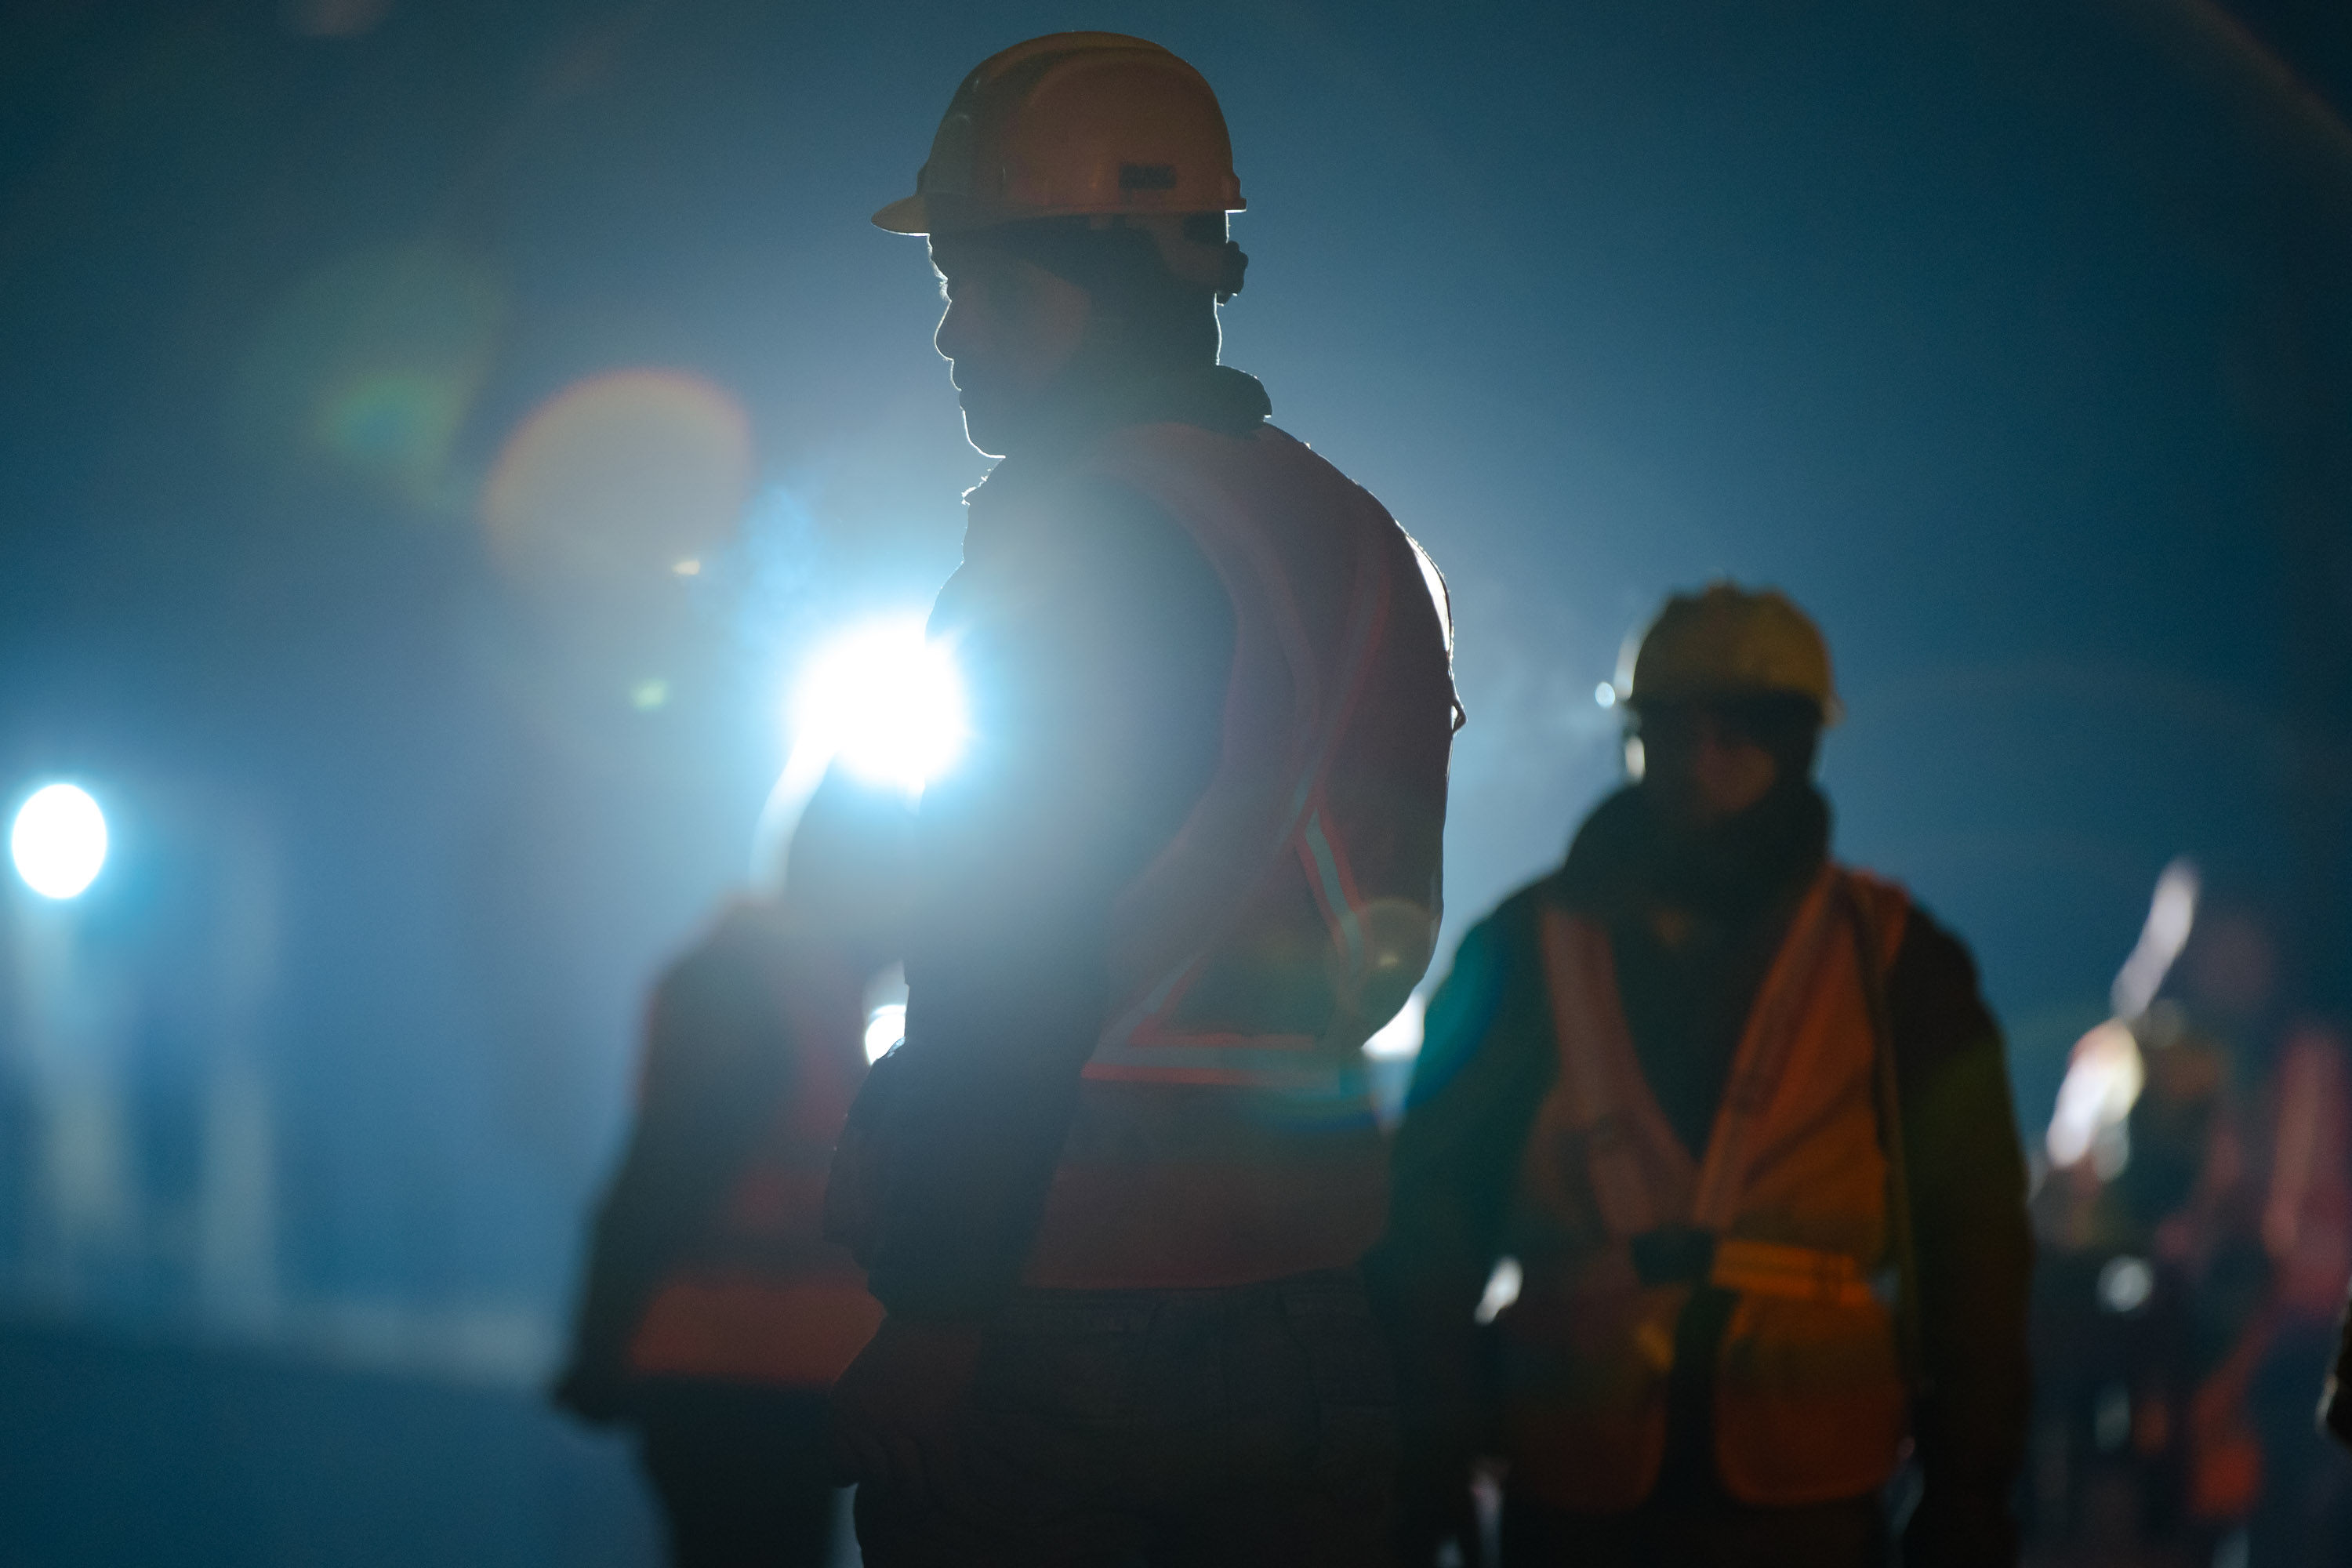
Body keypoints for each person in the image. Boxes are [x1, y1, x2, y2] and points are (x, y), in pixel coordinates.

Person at [822, 31, 1458, 1566]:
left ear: (1110, 268)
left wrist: (937, 1303)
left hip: (1067, 1311)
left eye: (983, 281)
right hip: (1317, 1302)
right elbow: (1384, 934)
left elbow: (1007, 946)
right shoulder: (1355, 531)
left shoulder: (1076, 546)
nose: (951, 331)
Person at [1373, 583, 2032, 1567]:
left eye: (1748, 725)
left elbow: (1973, 1239)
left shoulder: (1898, 958)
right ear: (1635, 735)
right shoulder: (1520, 948)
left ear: (1803, 740)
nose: (1710, 753)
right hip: (1577, 1476)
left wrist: (1969, 1483)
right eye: (1679, 725)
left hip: (1805, 1484)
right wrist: (1422, 1454)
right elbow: (1430, 1213)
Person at [554, 772, 910, 1568]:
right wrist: (600, 1338)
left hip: (773, 1379)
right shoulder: (744, 988)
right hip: (731, 1382)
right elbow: (665, 1174)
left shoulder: (808, 992)